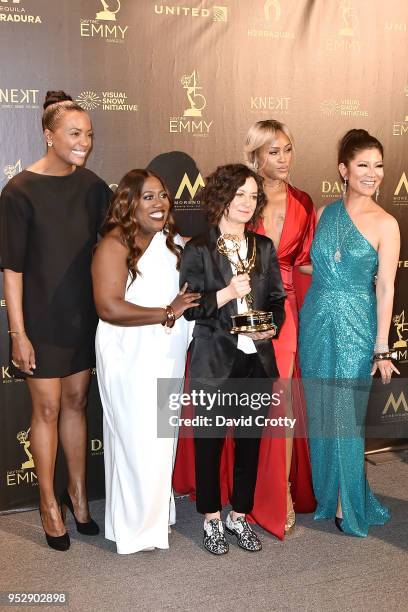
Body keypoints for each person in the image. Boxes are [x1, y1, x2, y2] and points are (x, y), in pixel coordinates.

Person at [0, 90, 112, 551]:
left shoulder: (92, 187)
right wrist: (18, 333)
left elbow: (120, 239)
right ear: (48, 135)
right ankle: (48, 503)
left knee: (76, 403)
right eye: (73, 133)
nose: (83, 141)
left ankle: (78, 495)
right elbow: (13, 269)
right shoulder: (18, 190)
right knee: (45, 409)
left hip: (82, 316)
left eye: (88, 134)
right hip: (40, 320)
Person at [179, 163, 286, 555]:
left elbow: (276, 300)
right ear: (221, 196)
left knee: (249, 445)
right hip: (213, 362)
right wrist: (224, 293)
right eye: (238, 193)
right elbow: (189, 308)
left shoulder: (263, 247)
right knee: (208, 445)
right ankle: (210, 518)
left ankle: (239, 515)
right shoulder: (198, 248)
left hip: (255, 362)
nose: (246, 202)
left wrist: (269, 327)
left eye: (252, 195)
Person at [92, 169, 199, 554]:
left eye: (163, 195)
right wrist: (167, 312)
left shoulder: (173, 243)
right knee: (136, 439)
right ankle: (136, 529)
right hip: (128, 352)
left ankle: (151, 517)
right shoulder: (115, 244)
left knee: (158, 438)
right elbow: (108, 306)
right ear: (129, 203)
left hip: (166, 351)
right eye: (148, 197)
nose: (159, 203)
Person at [299, 129, 399, 536]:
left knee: (346, 414)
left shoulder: (386, 223)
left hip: (357, 322)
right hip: (316, 317)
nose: (372, 173)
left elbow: (387, 286)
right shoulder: (324, 214)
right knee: (322, 410)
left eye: (377, 165)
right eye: (363, 165)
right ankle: (329, 492)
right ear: (344, 169)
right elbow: (317, 266)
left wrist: (381, 348)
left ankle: (347, 502)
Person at [243, 119, 317, 536]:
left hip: (283, 308)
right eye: (274, 152)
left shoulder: (303, 201)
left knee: (281, 401)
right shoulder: (242, 197)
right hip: (243, 306)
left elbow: (304, 262)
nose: (284, 159)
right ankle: (244, 491)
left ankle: (281, 493)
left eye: (288, 149)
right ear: (256, 155)